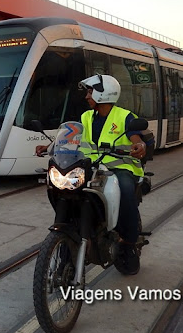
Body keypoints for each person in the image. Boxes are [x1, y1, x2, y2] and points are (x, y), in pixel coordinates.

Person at [35, 74, 148, 275]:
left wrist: (139, 145)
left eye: (90, 91)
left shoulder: (124, 116)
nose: (87, 96)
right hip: (90, 167)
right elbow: (70, 137)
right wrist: (50, 146)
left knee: (125, 190)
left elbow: (135, 137)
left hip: (120, 168)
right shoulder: (86, 117)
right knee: (62, 187)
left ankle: (129, 242)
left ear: (103, 94)